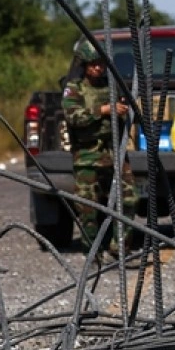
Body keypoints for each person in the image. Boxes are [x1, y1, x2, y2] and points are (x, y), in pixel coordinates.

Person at [61, 39, 138, 256]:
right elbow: (74, 117)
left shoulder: (112, 86)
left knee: (129, 199)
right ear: (84, 65)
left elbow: (128, 109)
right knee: (88, 207)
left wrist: (124, 108)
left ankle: (119, 247)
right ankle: (92, 250)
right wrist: (104, 110)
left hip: (114, 153)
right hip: (88, 155)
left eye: (101, 63)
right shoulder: (74, 89)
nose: (98, 68)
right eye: (93, 64)